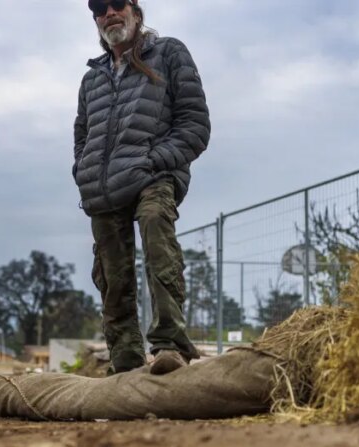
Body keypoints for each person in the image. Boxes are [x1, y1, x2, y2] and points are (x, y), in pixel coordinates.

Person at [73, 0, 211, 375]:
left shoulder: (168, 53)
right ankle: (126, 361)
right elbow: (82, 134)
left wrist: (153, 161)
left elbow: (195, 125)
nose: (109, 13)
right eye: (100, 9)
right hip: (102, 189)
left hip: (153, 175)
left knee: (155, 231)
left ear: (136, 10)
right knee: (111, 275)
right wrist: (83, 171)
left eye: (117, 3)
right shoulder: (93, 78)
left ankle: (170, 345)